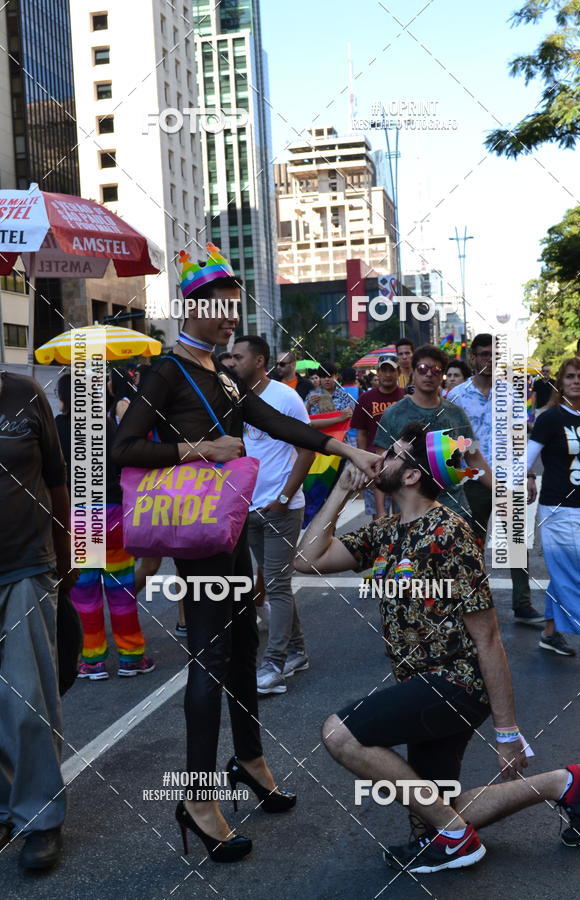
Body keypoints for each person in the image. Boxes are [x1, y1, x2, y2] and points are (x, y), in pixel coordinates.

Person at [112, 244, 383, 862]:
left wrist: (347, 452)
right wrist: (198, 450)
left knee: (243, 649)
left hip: (228, 531)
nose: (232, 320)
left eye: (236, 310)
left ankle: (251, 760)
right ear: (193, 307)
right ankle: (198, 797)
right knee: (209, 659)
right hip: (197, 535)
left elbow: (276, 422)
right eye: (224, 310)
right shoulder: (163, 371)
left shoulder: (221, 372)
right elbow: (122, 450)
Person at [295, 423, 580, 874]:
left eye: (392, 454)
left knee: (340, 733)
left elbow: (489, 636)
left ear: (414, 475)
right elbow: (305, 560)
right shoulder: (384, 531)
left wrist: (506, 732)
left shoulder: (450, 532)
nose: (378, 459)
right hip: (419, 682)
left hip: (454, 683)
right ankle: (567, 783)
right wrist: (341, 489)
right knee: (433, 814)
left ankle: (457, 841)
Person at [0, 369, 76, 869]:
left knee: (26, 701)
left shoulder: (23, 393)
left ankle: (39, 819)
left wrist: (69, 555)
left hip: (26, 563)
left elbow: (57, 479)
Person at [230, 335, 314, 696]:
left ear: (260, 360)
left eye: (238, 356)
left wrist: (282, 498)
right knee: (275, 583)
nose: (231, 362)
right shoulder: (234, 398)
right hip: (247, 509)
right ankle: (297, 652)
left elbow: (308, 451)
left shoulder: (284, 397)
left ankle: (274, 664)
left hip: (280, 509)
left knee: (277, 586)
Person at [447, 334, 543, 625]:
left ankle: (522, 604)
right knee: (471, 546)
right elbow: (449, 443)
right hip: (472, 481)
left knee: (516, 544)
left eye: (492, 354)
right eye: (482, 354)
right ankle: (472, 603)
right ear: (473, 358)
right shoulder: (456, 396)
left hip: (508, 479)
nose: (487, 359)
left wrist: (528, 476)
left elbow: (520, 440)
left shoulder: (511, 395)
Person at [69, 392, 155, 679]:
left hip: (79, 517)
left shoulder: (58, 427)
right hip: (113, 514)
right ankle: (131, 657)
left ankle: (92, 661)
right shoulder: (112, 429)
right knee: (121, 591)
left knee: (85, 594)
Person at [528, 357, 580, 656]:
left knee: (565, 572)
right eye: (569, 376)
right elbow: (525, 460)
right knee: (579, 574)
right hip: (558, 510)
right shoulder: (550, 418)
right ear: (561, 382)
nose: (576, 381)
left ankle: (550, 633)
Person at [375, 344, 491, 521]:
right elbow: (381, 464)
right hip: (410, 514)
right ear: (413, 373)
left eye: (436, 370)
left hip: (455, 512)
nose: (429, 374)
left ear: (442, 376)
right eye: (422, 369)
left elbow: (473, 457)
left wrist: (502, 492)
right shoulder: (394, 414)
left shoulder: (456, 413)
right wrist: (381, 511)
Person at [350, 354, 405, 518]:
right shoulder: (366, 398)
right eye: (384, 370)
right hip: (374, 463)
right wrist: (362, 459)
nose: (388, 374)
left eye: (392, 370)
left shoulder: (406, 398)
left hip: (403, 464)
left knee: (404, 513)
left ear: (399, 373)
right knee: (378, 516)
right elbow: (361, 433)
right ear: (378, 373)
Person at [340, 367, 360, 447]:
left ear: (342, 378)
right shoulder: (361, 392)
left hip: (340, 434)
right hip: (357, 433)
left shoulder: (336, 392)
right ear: (355, 378)